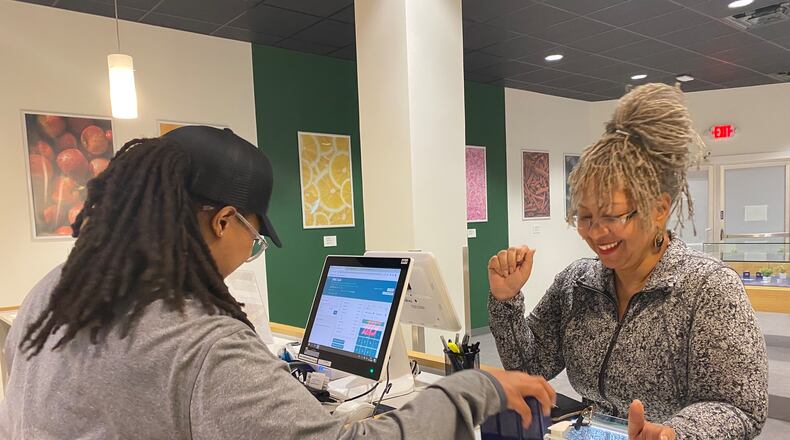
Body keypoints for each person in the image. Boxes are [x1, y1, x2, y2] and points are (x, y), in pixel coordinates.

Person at [0, 126, 555, 439]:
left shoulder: (54, 290)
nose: (249, 254)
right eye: (254, 236)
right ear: (222, 221)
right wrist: (470, 389)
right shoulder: (201, 342)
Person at [487, 84, 768, 439]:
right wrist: (506, 302)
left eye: (613, 216)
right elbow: (529, 371)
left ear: (659, 209)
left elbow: (740, 406)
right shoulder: (576, 284)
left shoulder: (708, 289)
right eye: (585, 217)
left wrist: (675, 433)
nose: (596, 232)